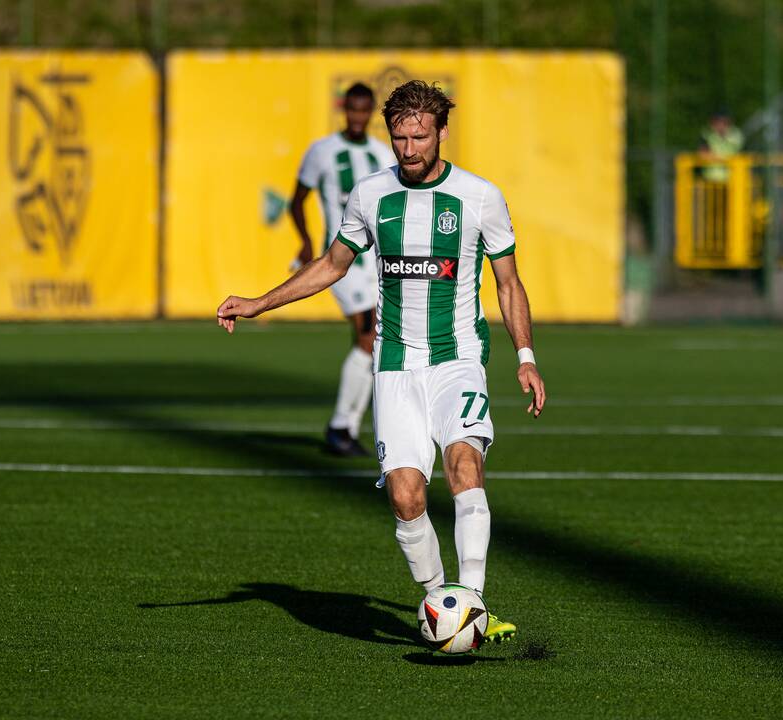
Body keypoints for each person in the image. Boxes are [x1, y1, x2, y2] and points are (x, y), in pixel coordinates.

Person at [218, 80, 545, 647]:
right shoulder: (370, 195)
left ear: (442, 132)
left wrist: (525, 356)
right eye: (399, 138)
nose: (409, 149)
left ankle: (474, 604)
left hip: (457, 358)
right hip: (394, 365)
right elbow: (332, 265)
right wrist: (258, 303)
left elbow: (508, 283)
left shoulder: (479, 196)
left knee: (464, 462)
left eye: (420, 137)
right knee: (405, 494)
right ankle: (442, 604)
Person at [290, 82, 396, 457]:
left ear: (371, 113)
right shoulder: (322, 151)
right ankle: (340, 426)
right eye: (352, 109)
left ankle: (347, 427)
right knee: (368, 337)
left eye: (364, 110)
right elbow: (297, 201)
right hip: (341, 262)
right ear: (344, 110)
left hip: (376, 263)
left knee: (375, 343)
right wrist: (305, 242)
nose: (357, 116)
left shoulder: (382, 154)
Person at [699, 111, 744, 183]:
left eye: (723, 122)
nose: (720, 125)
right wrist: (724, 158)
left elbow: (740, 154)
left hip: (733, 179)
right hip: (711, 179)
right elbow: (703, 154)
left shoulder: (736, 135)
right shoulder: (706, 134)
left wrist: (716, 157)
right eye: (717, 122)